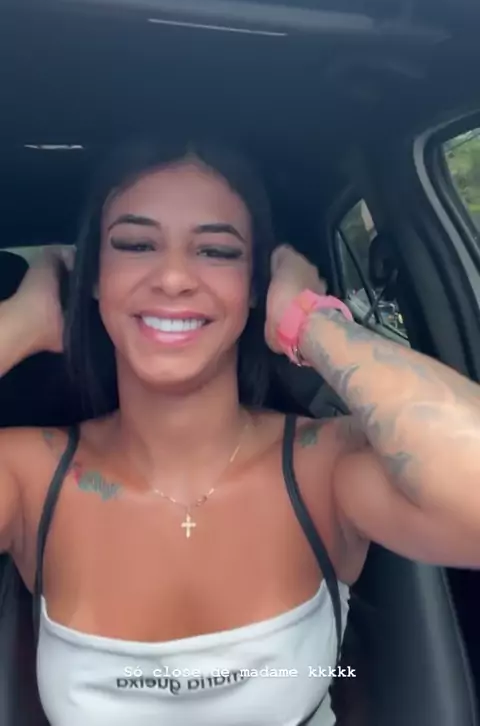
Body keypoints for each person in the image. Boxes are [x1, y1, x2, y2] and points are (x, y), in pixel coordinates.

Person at [0, 139, 479, 726]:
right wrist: (22, 323)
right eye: (136, 244)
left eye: (217, 251)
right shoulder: (30, 477)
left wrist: (310, 323)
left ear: (255, 288)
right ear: (95, 279)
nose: (173, 277)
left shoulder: (322, 468)